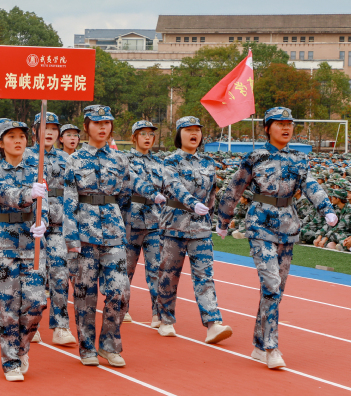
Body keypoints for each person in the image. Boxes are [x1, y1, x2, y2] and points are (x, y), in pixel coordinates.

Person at [217, 107, 337, 369]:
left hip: (288, 227)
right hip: (260, 225)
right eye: (280, 123)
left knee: (276, 290)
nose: (286, 128)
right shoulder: (255, 157)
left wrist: (326, 208)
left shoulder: (299, 159)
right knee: (271, 283)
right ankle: (272, 348)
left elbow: (311, 185)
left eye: (289, 124)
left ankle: (259, 345)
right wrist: (224, 220)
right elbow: (235, 188)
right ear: (267, 128)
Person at [69, 105, 157, 368]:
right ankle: (87, 347)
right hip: (84, 235)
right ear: (87, 127)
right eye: (97, 123)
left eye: (106, 123)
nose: (103, 127)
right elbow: (68, 203)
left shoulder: (120, 160)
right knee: (85, 294)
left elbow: (126, 198)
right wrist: (71, 241)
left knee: (120, 291)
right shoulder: (73, 160)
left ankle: (110, 345)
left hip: (115, 235)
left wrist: (123, 230)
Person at [156, 116, 232, 345]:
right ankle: (165, 319)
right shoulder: (170, 161)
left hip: (200, 227)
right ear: (179, 134)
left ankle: (213, 323)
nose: (194, 134)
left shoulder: (208, 162)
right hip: (174, 225)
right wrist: (192, 202)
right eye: (188, 130)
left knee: (204, 276)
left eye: (197, 130)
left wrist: (218, 221)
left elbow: (212, 194)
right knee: (169, 275)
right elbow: (174, 186)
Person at [0, 120, 48, 381]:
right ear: (0, 143)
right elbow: (2, 193)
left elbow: (48, 203)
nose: (18, 140)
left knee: (36, 302)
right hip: (3, 244)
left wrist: (44, 221)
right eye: (11, 136)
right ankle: (10, 361)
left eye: (21, 136)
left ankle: (21, 349)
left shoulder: (37, 169)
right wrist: (28, 193)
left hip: (32, 243)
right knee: (7, 305)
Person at [29, 112, 79, 346]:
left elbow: (73, 192)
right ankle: (31, 325)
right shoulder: (26, 156)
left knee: (60, 276)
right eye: (44, 127)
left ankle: (61, 326)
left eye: (53, 129)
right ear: (35, 130)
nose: (48, 132)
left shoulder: (65, 158)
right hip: (34, 227)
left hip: (59, 226)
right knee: (34, 276)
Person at [121, 120, 172, 327]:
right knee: (125, 269)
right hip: (130, 221)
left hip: (154, 222)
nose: (148, 138)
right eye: (143, 134)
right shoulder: (124, 160)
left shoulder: (159, 162)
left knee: (156, 270)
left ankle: (157, 313)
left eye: (151, 134)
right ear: (134, 137)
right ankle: (122, 308)